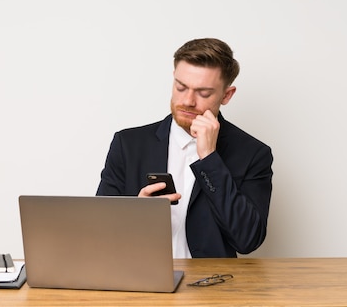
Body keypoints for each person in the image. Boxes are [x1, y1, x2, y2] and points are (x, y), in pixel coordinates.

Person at [96, 38, 273, 258]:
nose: (187, 100)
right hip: (141, 281)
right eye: (181, 87)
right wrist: (138, 214)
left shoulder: (253, 154)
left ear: (227, 95)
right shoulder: (128, 144)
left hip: (214, 287)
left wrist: (209, 159)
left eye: (203, 93)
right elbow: (99, 231)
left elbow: (247, 240)